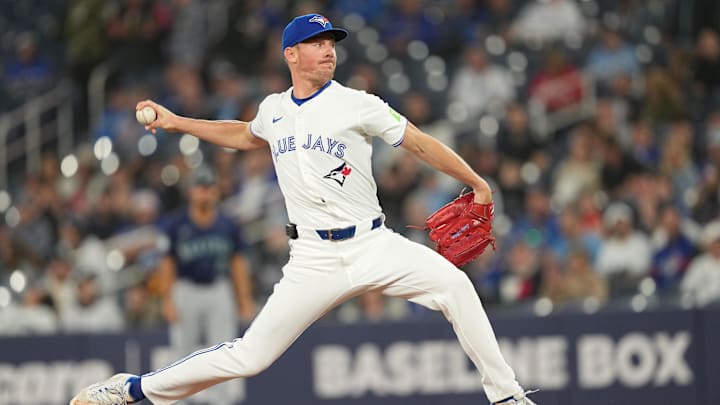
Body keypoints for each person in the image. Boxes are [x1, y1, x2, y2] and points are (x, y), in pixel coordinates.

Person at [70, 14, 537, 405]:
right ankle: (132, 390)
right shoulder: (275, 110)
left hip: (373, 242)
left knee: (455, 286)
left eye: (331, 42)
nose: (328, 50)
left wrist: (474, 180)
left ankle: (507, 396)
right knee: (251, 356)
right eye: (316, 43)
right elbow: (241, 134)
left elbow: (416, 142)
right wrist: (177, 122)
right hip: (313, 258)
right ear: (291, 55)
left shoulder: (358, 104)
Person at [156, 167, 256, 405]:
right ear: (191, 192)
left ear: (216, 192)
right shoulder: (176, 224)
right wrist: (167, 299)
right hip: (186, 288)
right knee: (182, 353)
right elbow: (167, 264)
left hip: (218, 289)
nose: (205, 193)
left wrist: (244, 299)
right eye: (201, 188)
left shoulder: (228, 224)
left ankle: (221, 402)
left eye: (209, 188)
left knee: (222, 352)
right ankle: (178, 402)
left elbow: (238, 263)